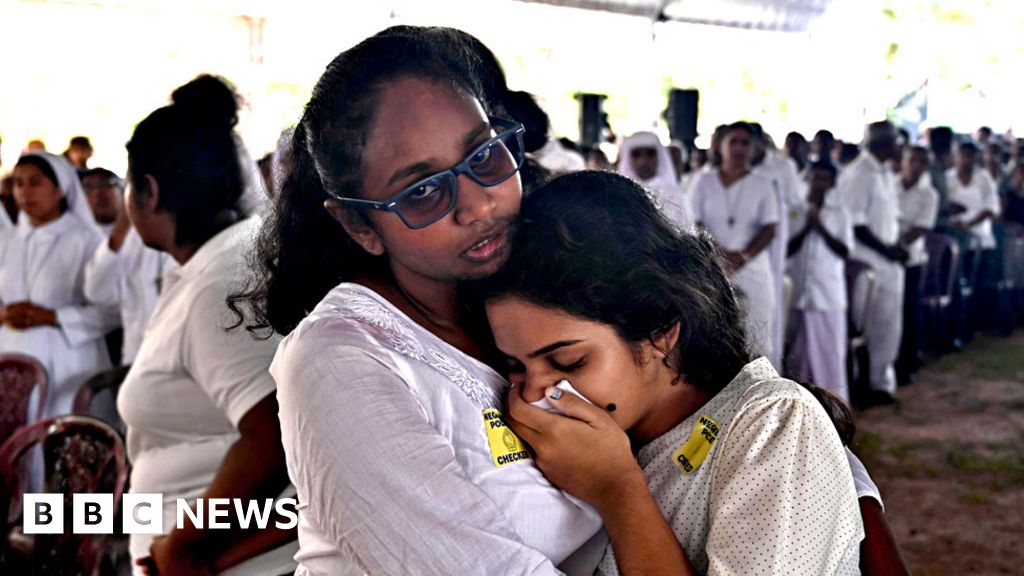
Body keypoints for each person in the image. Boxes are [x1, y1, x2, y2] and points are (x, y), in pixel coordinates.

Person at [233, 27, 604, 575]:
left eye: (484, 154)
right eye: (424, 191)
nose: (476, 205)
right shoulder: (341, 360)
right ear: (360, 224)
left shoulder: (542, 289)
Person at [475, 170, 864, 575]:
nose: (535, 392)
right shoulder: (610, 439)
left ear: (660, 333)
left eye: (569, 362)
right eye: (515, 366)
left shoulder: (772, 423)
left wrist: (617, 492)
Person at [116, 74, 297, 576]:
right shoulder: (230, 258)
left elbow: (273, 435)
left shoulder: (221, 283)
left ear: (148, 192)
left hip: (236, 564)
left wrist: (185, 546)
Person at [0, 152, 119, 421]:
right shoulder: (8, 240)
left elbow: (112, 309)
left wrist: (53, 317)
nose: (25, 192)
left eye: (35, 182)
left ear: (60, 188)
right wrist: (4, 314)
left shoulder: (87, 240)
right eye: (18, 184)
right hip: (10, 356)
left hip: (69, 362)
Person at [689, 121, 779, 365]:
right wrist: (718, 253)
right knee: (717, 335)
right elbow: (695, 221)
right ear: (721, 146)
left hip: (753, 269)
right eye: (733, 142)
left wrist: (743, 256)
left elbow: (769, 227)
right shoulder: (704, 181)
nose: (739, 148)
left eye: (745, 143)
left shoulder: (763, 183)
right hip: (713, 266)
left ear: (753, 149)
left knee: (757, 337)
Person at [836, 121, 906, 406]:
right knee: (866, 326)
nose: (899, 148)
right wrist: (887, 250)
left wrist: (894, 247)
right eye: (896, 142)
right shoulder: (860, 174)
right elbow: (854, 224)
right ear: (885, 144)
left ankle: (881, 382)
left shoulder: (884, 173)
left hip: (887, 260)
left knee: (887, 323)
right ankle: (866, 384)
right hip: (867, 262)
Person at [82, 168, 173, 367]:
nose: (98, 194)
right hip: (137, 358)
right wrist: (122, 226)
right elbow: (98, 292)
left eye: (105, 185)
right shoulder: (130, 238)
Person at [786, 160, 854, 402]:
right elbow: (787, 248)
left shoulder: (840, 212)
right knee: (798, 356)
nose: (819, 184)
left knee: (829, 355)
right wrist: (807, 224)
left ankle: (834, 405)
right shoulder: (796, 209)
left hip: (827, 295)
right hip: (800, 293)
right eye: (815, 178)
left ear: (832, 183)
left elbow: (845, 250)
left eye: (824, 179)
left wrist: (820, 225)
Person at [894, 146, 939, 385]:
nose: (915, 165)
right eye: (911, 160)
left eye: (921, 162)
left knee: (909, 311)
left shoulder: (928, 194)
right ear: (902, 161)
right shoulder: (890, 185)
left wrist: (898, 244)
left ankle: (907, 362)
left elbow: (921, 227)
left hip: (909, 257)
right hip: (884, 254)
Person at [617, 131, 690, 227]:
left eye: (650, 153)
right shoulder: (619, 194)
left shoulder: (674, 196)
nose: (643, 161)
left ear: (659, 156)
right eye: (636, 154)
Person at [81, 167, 124, 235]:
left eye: (104, 184)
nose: (97, 192)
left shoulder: (140, 231)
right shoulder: (78, 237)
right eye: (88, 188)